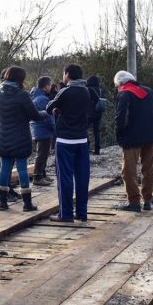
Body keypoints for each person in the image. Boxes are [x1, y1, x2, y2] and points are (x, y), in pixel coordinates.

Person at [0, 66, 48, 212]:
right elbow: (34, 115)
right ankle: (27, 204)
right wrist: (46, 113)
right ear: (20, 79)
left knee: (4, 168)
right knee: (22, 169)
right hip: (20, 138)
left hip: (2, 138)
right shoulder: (22, 95)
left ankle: (2, 203)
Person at [46, 64, 93, 221]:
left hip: (65, 140)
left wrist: (57, 110)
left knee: (65, 177)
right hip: (82, 139)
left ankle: (65, 214)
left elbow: (49, 107)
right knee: (82, 177)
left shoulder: (65, 91)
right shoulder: (86, 91)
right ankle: (82, 213)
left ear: (67, 74)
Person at [112, 70, 153, 212]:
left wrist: (119, 135)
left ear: (121, 83)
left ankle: (134, 202)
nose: (117, 88)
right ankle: (147, 200)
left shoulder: (125, 93)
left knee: (128, 171)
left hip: (132, 138)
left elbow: (120, 118)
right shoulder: (149, 91)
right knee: (148, 169)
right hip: (151, 136)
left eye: (117, 86)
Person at [29, 77, 56, 186]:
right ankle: (38, 177)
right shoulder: (42, 99)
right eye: (50, 85)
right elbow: (48, 117)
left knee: (44, 154)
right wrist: (55, 129)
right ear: (46, 86)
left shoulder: (36, 96)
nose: (50, 87)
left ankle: (43, 174)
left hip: (37, 129)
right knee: (41, 154)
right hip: (42, 130)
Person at [86, 74, 105, 155]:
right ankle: (97, 150)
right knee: (96, 131)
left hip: (89, 114)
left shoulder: (88, 89)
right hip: (98, 113)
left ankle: (87, 147)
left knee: (84, 129)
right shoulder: (100, 89)